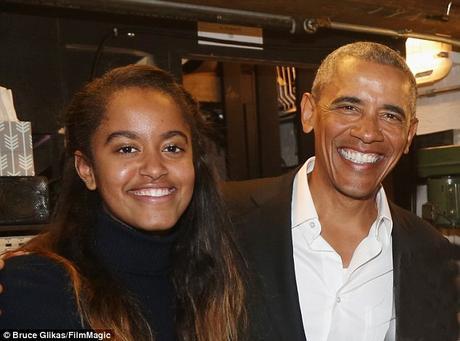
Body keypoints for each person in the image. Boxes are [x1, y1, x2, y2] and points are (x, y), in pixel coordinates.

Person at [223, 41, 458, 341]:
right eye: (349, 107)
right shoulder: (226, 220)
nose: (368, 132)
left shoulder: (430, 251)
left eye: (390, 116)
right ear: (309, 113)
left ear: (409, 134)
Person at [0, 64, 247, 341]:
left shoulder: (219, 277)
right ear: (87, 169)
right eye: (127, 149)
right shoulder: (38, 286)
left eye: (172, 148)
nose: (154, 168)